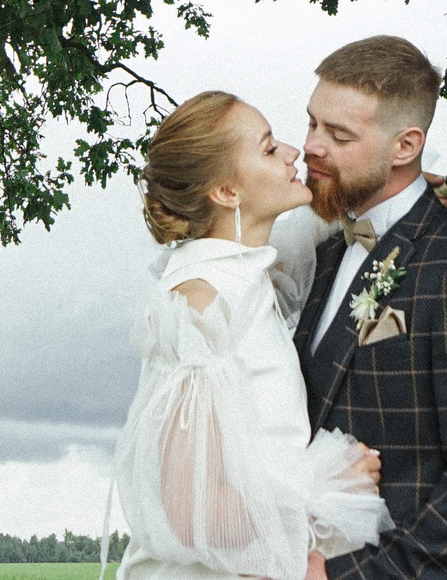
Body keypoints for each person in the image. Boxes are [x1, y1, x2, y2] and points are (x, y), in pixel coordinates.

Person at [111, 90, 392, 580]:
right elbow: (189, 508)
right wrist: (326, 486)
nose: (292, 152)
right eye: (267, 148)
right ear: (226, 192)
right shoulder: (201, 303)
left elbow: (296, 243)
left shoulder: (241, 275)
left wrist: (388, 190)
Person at [277, 38, 447, 580]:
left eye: (339, 134)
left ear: (406, 146)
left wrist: (351, 577)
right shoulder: (325, 253)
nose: (311, 148)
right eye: (313, 123)